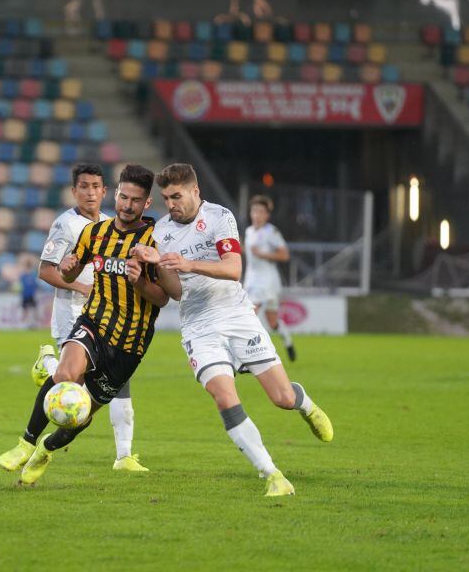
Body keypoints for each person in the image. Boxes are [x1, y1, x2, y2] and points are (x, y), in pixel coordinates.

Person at [131, 164, 333, 496]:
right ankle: (272, 474)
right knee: (223, 396)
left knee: (282, 398)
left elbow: (233, 269)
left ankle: (305, 404)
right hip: (198, 326)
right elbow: (176, 293)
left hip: (237, 315)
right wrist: (155, 265)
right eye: (166, 198)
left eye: (176, 196)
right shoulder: (161, 231)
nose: (170, 204)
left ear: (195, 191)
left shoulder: (219, 217)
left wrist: (187, 263)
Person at [0, 164, 180, 486]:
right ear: (117, 194)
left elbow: (164, 299)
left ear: (147, 204)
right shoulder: (93, 233)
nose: (126, 205)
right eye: (123, 196)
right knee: (65, 375)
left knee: (81, 413)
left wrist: (140, 283)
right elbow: (68, 272)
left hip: (129, 343)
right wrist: (68, 269)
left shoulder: (156, 241)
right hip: (93, 320)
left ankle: (46, 449)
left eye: (135, 200)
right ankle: (25, 443)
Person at [32, 163, 148, 472]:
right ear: (74, 191)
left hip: (108, 319)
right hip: (73, 315)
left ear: (105, 191)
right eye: (84, 186)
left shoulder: (113, 224)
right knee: (77, 390)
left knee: (117, 385)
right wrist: (83, 284)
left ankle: (124, 456)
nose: (91, 192)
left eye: (96, 186)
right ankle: (49, 368)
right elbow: (45, 270)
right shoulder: (65, 225)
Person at [243, 195, 295, 361]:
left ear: (267, 215)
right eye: (254, 211)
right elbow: (251, 254)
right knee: (272, 322)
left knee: (249, 313)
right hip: (251, 278)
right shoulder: (249, 231)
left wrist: (263, 254)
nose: (257, 214)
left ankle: (249, 354)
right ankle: (288, 343)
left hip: (267, 280)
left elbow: (284, 255)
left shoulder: (271, 232)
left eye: (260, 211)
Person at [18, 260, 39, 328]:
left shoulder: (32, 275)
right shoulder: (24, 275)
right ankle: (26, 324)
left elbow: (35, 286)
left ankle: (33, 324)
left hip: (31, 295)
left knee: (33, 310)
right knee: (26, 311)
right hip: (25, 295)